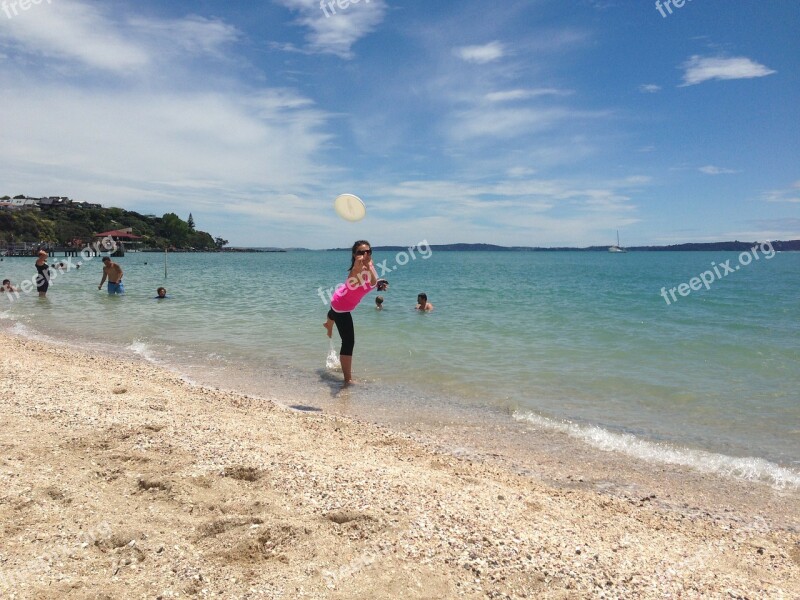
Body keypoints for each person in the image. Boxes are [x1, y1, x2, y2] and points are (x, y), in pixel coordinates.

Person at [323, 240, 378, 384]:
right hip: (341, 306)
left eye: (368, 252)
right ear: (354, 254)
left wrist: (371, 267)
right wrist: (358, 267)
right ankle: (348, 380)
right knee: (348, 342)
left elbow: (373, 282)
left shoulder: (370, 266)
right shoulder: (355, 270)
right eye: (360, 252)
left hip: (341, 301)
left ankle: (329, 323)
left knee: (334, 313)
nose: (365, 255)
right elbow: (356, 279)